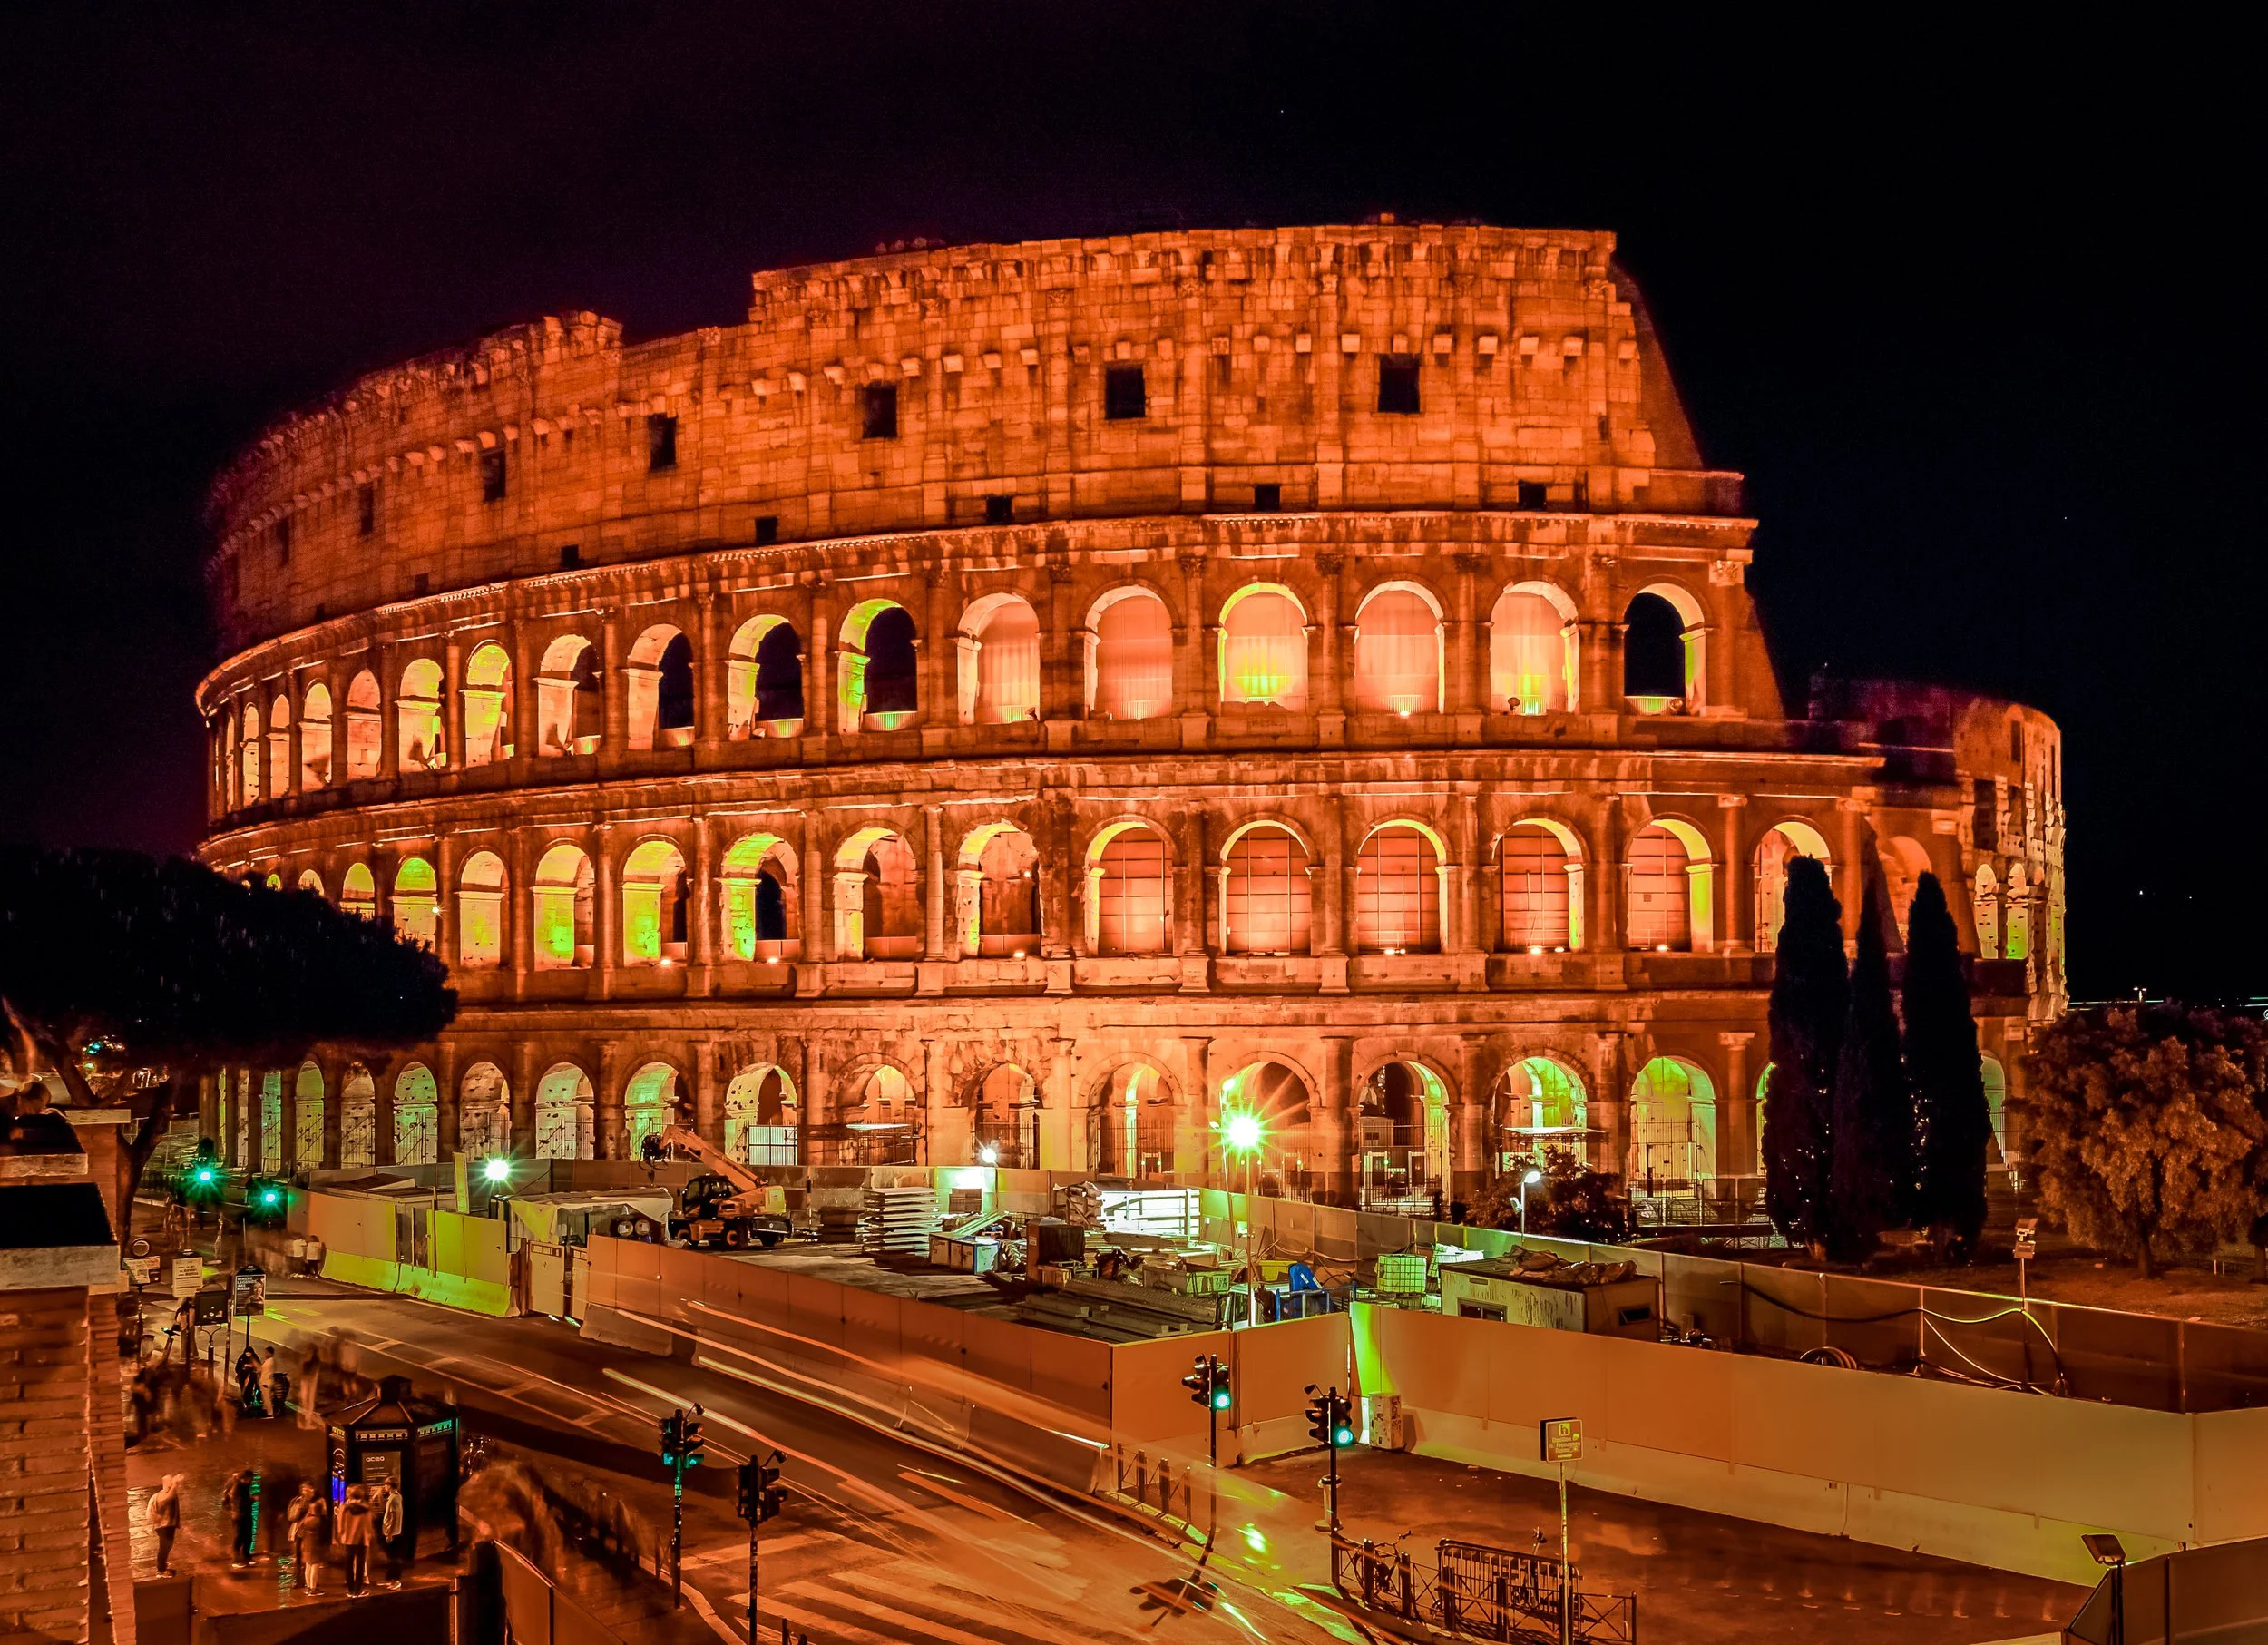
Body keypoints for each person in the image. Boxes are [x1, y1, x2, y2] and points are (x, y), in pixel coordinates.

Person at [286, 1483, 329, 1595]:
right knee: (312, 1563)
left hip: (305, 1537)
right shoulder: (301, 1502)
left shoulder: (316, 1503)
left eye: (307, 1489)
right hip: (310, 1539)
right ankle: (312, 1587)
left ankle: (309, 1586)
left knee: (308, 1563)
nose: (305, 1491)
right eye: (303, 1489)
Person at [334, 1483, 374, 1596]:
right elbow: (368, 1525)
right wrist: (369, 1535)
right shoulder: (366, 1508)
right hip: (362, 1539)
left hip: (348, 1539)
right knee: (360, 1565)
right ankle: (358, 1590)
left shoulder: (344, 1507)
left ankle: (350, 1590)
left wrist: (340, 1535)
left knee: (348, 1564)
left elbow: (340, 1524)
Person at [147, 1474, 183, 1576]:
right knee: (164, 1547)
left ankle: (163, 1564)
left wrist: (177, 1523)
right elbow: (166, 1499)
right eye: (170, 1481)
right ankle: (161, 1570)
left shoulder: (172, 1493)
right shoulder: (161, 1495)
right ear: (166, 1483)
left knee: (168, 1546)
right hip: (163, 1526)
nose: (172, 1482)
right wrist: (175, 1485)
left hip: (169, 1525)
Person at [221, 1469, 257, 1568]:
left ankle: (246, 1557)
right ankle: (236, 1560)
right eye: (250, 1479)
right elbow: (239, 1502)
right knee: (239, 1537)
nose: (251, 1481)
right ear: (245, 1478)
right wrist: (252, 1500)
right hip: (239, 1515)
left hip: (243, 1513)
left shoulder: (243, 1485)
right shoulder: (237, 1487)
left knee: (247, 1536)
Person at [373, 1478, 406, 1588]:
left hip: (393, 1533)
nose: (384, 1487)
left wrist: (390, 1534)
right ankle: (391, 1578)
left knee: (394, 1557)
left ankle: (396, 1580)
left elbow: (394, 1517)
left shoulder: (393, 1499)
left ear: (390, 1486)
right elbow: (386, 1508)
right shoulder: (396, 1496)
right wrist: (379, 1496)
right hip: (392, 1531)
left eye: (386, 1485)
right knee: (391, 1557)